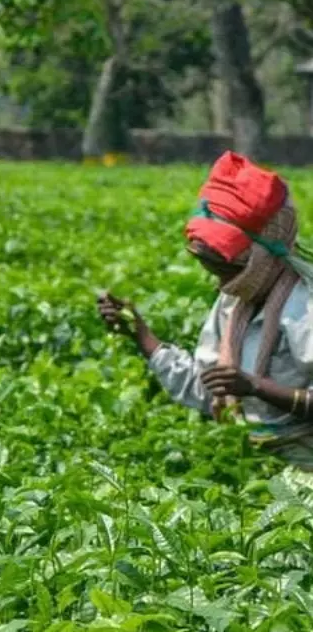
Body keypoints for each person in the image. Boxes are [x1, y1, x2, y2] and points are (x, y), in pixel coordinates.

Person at [98, 152, 313, 472]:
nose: (222, 284)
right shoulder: (236, 303)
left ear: (261, 256)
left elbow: (240, 385)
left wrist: (256, 387)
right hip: (246, 461)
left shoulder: (304, 307)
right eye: (213, 270)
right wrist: (142, 335)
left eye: (227, 269)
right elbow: (209, 389)